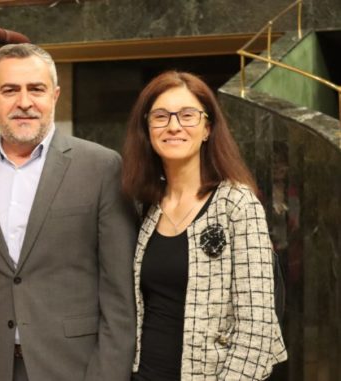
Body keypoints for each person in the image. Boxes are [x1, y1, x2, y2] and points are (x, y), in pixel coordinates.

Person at [0, 43, 137, 381]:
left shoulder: (101, 168)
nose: (24, 102)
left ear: (55, 95)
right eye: (10, 90)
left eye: (36, 89)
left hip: (72, 368)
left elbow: (119, 297)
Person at [121, 71, 287, 380]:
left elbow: (258, 330)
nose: (173, 125)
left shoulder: (236, 203)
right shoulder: (146, 207)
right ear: (147, 127)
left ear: (207, 128)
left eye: (187, 115)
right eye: (161, 116)